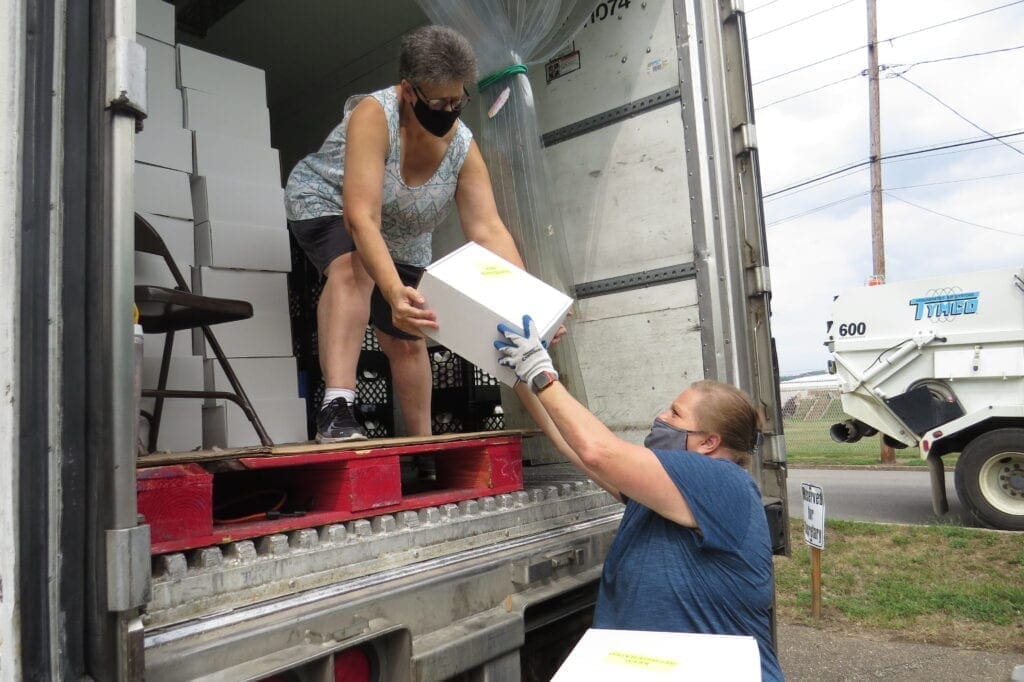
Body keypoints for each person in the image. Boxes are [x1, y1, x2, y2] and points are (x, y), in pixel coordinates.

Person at [494, 316, 784, 681]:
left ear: (709, 442)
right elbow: (573, 444)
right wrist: (524, 371)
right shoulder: (663, 494)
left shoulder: (724, 482)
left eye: (674, 413)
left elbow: (599, 450)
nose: (659, 417)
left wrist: (540, 371)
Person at [284, 25, 529, 442]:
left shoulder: (462, 146)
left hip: (405, 233)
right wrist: (393, 290)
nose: (449, 110)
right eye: (438, 100)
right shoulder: (374, 115)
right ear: (408, 90)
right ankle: (337, 409)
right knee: (354, 270)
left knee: (411, 333)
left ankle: (424, 444)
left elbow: (488, 229)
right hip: (329, 201)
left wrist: (530, 305)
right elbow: (360, 218)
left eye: (458, 99)